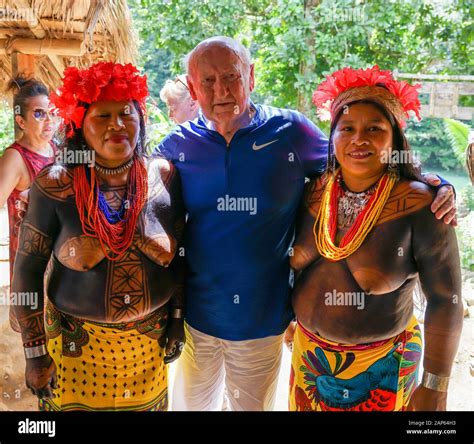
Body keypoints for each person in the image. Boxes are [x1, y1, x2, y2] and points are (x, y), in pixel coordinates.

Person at [156, 36, 457, 411]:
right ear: (192, 86)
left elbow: (362, 158)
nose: (221, 90)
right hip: (198, 322)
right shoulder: (176, 146)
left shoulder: (291, 133)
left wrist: (435, 183)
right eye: (208, 81)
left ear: (251, 76)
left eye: (231, 76)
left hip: (263, 323)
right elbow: (135, 186)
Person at [11, 62, 186, 411]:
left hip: (147, 350)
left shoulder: (164, 177)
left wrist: (177, 320)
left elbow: (182, 256)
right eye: (102, 116)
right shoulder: (55, 185)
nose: (116, 124)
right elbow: (27, 271)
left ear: (141, 119)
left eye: (126, 113)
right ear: (79, 125)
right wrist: (35, 353)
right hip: (75, 351)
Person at [289, 66, 463, 411]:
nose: (359, 139)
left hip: (382, 370)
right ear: (332, 136)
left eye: (374, 129)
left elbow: (446, 298)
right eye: (347, 128)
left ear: (395, 139)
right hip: (309, 360)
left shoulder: (420, 204)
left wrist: (436, 385)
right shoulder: (310, 190)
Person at [0, 76, 57, 332]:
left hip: (61, 259)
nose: (48, 120)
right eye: (38, 114)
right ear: (20, 121)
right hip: (31, 263)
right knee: (37, 340)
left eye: (50, 112)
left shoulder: (57, 150)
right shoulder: (14, 158)